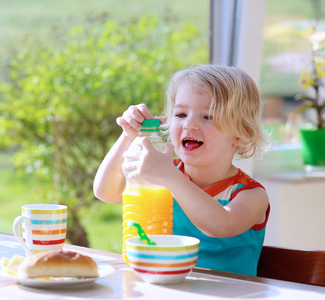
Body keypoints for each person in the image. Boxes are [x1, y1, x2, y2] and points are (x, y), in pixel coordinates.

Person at [93, 64, 271, 276]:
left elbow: (220, 225)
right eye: (181, 114)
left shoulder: (251, 195)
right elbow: (106, 191)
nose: (190, 125)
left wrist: (170, 176)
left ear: (241, 133)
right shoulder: (162, 175)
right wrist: (129, 135)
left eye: (208, 117)